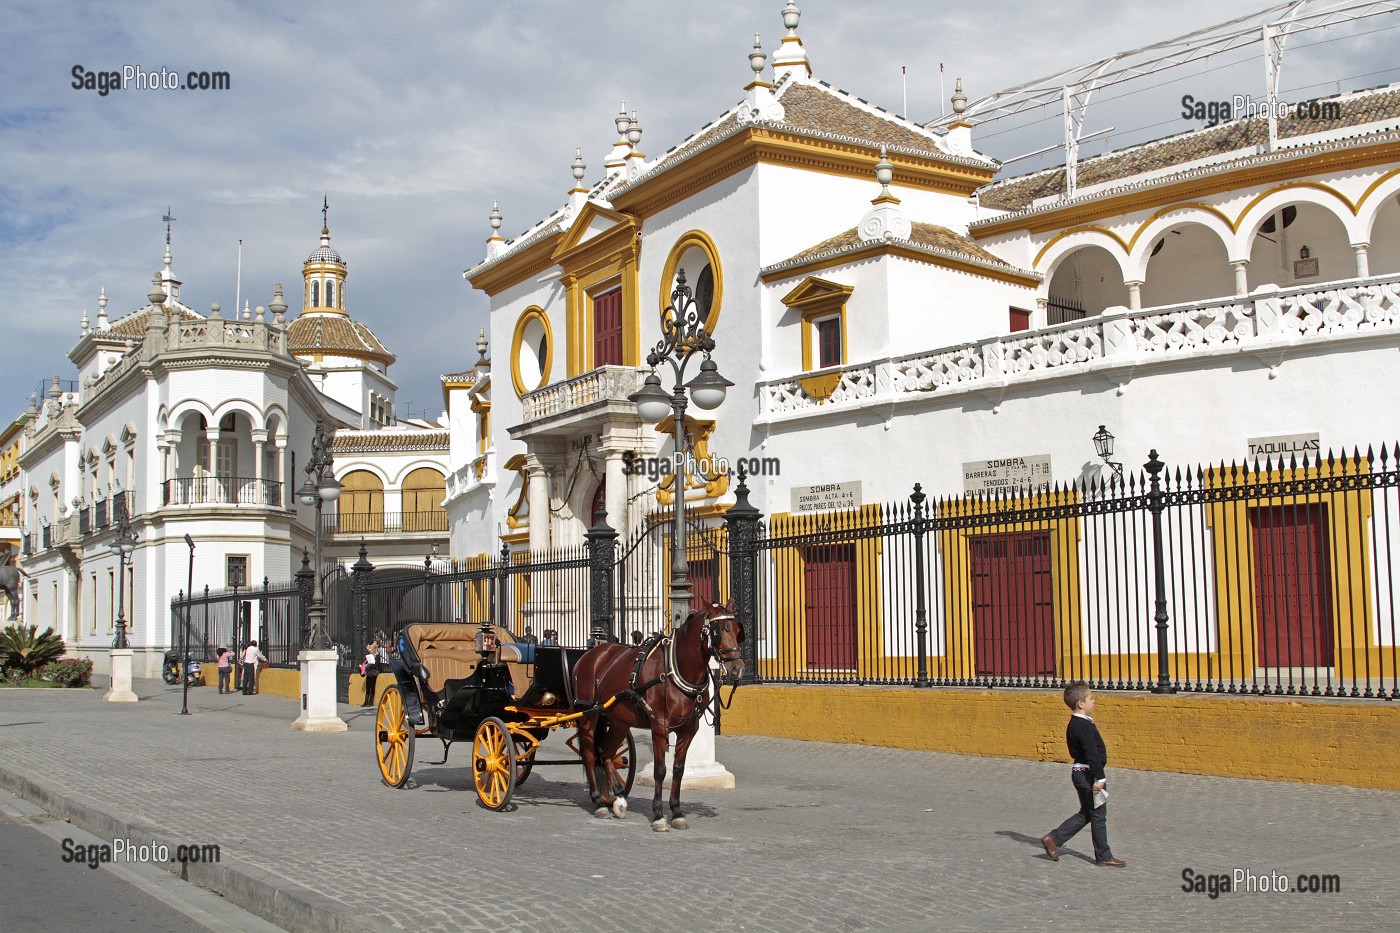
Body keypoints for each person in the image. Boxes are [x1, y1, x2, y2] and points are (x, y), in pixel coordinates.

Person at [1041, 681, 1125, 867]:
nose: (1094, 701)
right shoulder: (1083, 726)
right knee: (1098, 815)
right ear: (1081, 703)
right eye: (1091, 698)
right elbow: (1092, 754)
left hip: (1080, 772)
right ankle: (1103, 856)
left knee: (1087, 813)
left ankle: (1054, 838)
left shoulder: (1076, 723)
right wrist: (1100, 778)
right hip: (1088, 774)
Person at [361, 642, 380, 707]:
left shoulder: (377, 655)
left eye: (370, 650)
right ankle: (366, 701)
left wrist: (370, 664)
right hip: (369, 672)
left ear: (373, 649)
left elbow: (376, 665)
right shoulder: (369, 656)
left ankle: (370, 701)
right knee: (367, 687)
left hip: (374, 672)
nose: (369, 651)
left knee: (372, 686)